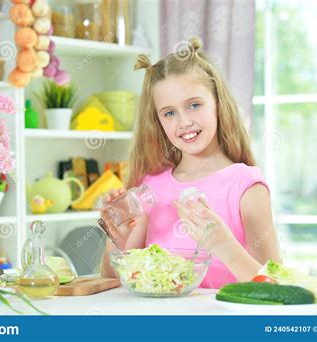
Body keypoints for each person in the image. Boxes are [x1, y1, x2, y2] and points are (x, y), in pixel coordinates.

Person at [100, 37, 282, 288]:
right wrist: (117, 239)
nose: (184, 121)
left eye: (194, 105)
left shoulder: (247, 187)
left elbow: (276, 288)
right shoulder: (148, 190)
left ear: (218, 104)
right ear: (158, 121)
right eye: (169, 113)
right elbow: (111, 283)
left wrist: (223, 246)